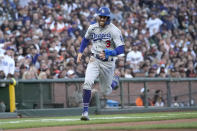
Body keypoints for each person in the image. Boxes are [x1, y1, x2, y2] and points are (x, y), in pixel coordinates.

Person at [77, 6, 124, 121]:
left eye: (104, 17)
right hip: (94, 59)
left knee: (105, 91)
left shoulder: (114, 30)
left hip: (108, 63)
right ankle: (85, 112)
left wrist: (110, 52)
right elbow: (85, 39)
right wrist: (80, 52)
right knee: (87, 82)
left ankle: (114, 81)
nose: (102, 19)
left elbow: (121, 49)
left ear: (108, 18)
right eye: (100, 16)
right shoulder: (92, 28)